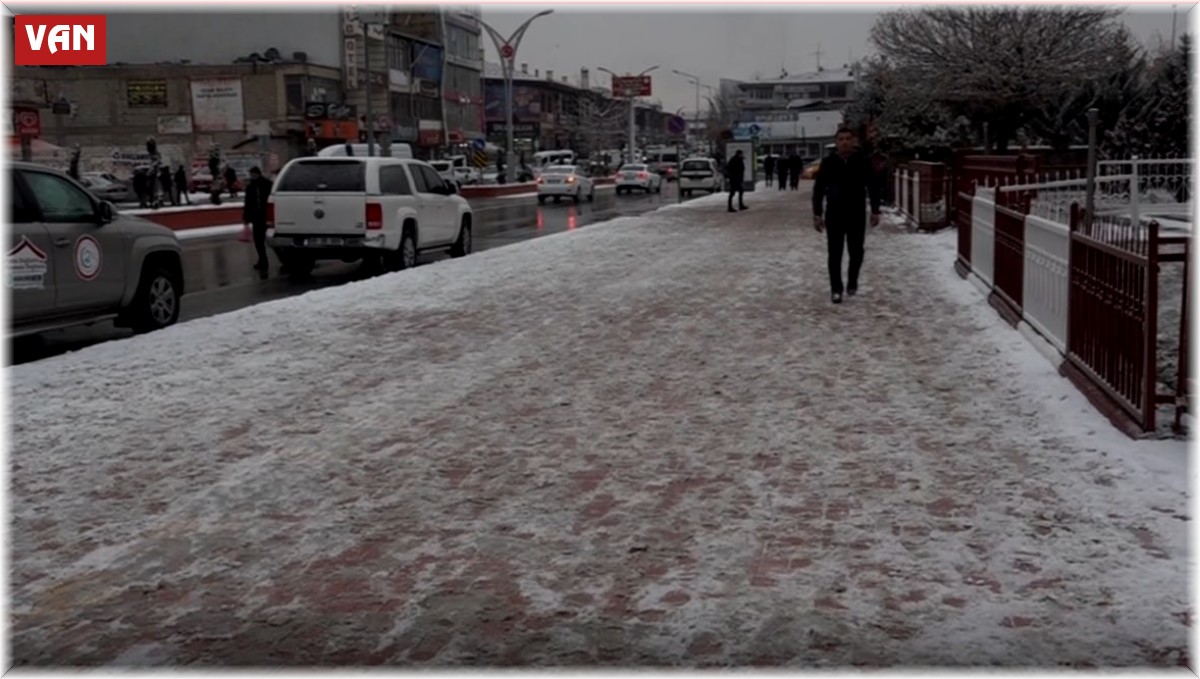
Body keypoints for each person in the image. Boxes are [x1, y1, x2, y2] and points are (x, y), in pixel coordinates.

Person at [812, 127, 882, 304]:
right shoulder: (828, 162)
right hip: (834, 214)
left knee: (856, 251)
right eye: (841, 139)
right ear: (836, 142)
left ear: (853, 141)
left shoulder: (862, 161)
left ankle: (852, 281)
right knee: (834, 253)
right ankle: (836, 289)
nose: (844, 142)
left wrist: (875, 210)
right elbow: (818, 189)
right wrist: (817, 213)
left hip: (856, 212)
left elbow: (873, 186)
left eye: (848, 139)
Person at [242, 167, 273, 277]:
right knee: (259, 241)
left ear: (258, 174)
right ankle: (263, 261)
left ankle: (266, 261)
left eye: (253, 174)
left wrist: (246, 217)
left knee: (267, 240)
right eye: (251, 174)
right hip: (260, 217)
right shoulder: (252, 186)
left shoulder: (264, 185)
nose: (252, 176)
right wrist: (246, 218)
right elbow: (248, 204)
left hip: (265, 217)